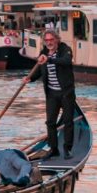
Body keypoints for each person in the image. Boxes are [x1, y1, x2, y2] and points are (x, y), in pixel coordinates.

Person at [23, 29, 75, 160]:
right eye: (46, 40)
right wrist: (30, 78)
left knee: (68, 121)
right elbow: (40, 70)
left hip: (66, 93)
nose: (49, 42)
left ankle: (67, 148)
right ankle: (54, 149)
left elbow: (66, 61)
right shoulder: (44, 53)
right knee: (50, 122)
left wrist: (50, 60)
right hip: (51, 93)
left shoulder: (65, 49)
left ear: (57, 39)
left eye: (51, 40)